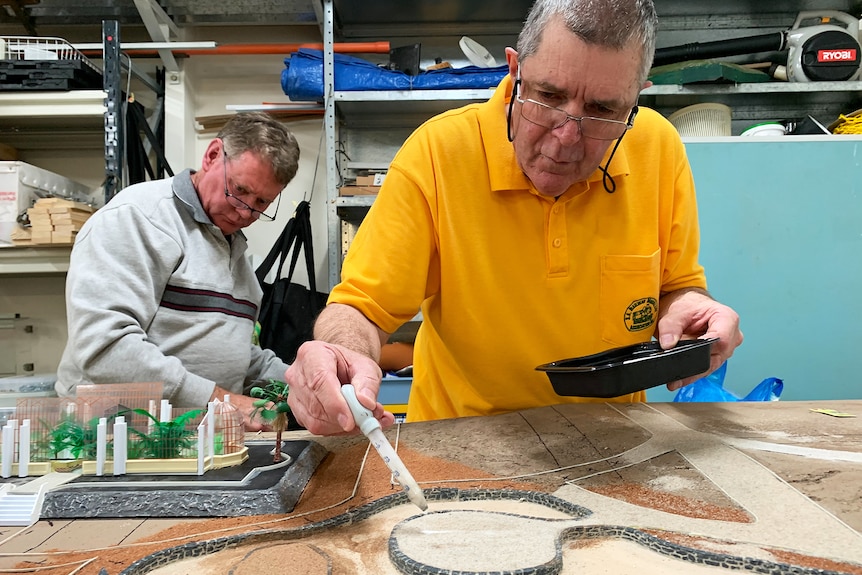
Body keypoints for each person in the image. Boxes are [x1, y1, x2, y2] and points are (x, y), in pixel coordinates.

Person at [285, 0, 743, 435]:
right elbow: (362, 309)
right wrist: (339, 355)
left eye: (603, 110)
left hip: (614, 447)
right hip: (461, 448)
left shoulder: (657, 148)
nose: (565, 139)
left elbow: (676, 286)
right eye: (548, 96)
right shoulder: (437, 156)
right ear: (514, 70)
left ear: (635, 101)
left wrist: (688, 309)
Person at [56, 112, 301, 430]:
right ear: (213, 156)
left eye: (262, 202)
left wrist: (302, 383)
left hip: (192, 440)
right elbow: (107, 348)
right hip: (116, 441)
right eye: (238, 190)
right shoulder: (139, 219)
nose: (245, 212)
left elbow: (237, 354)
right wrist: (218, 401)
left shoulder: (232, 248)